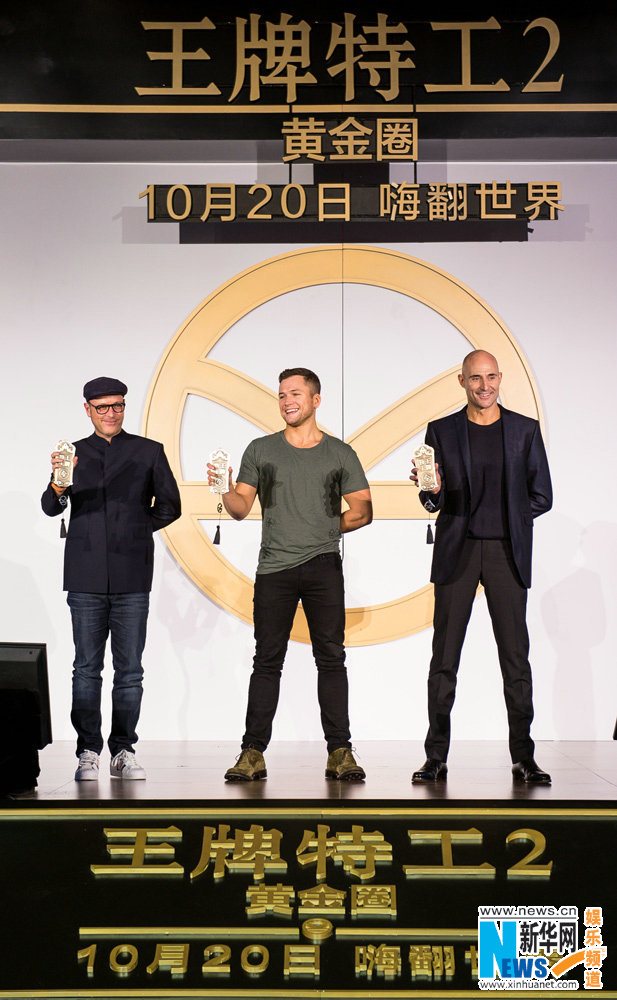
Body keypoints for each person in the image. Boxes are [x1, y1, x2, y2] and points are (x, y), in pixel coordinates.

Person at [208, 368, 372, 782]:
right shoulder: (260, 449)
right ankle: (252, 753)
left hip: (323, 566)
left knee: (331, 658)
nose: (287, 402)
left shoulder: (340, 453)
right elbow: (240, 508)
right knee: (267, 660)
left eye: (295, 394)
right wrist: (223, 489)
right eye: (282, 395)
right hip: (274, 569)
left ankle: (340, 752)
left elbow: (363, 510)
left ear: (316, 400)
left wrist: (325, 528)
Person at [410, 350, 553, 784]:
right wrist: (430, 489)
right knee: (444, 659)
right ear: (462, 381)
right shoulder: (442, 430)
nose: (484, 386)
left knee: (515, 660)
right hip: (458, 550)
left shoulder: (525, 430)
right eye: (475, 378)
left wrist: (510, 518)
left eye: (490, 377)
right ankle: (435, 757)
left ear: (500, 378)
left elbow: (542, 496)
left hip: (507, 554)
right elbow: (431, 499)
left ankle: (524, 757)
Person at [41, 377, 181, 781]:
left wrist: (136, 527)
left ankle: (123, 750)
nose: (111, 413)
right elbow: (51, 506)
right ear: (88, 410)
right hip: (84, 575)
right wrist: (60, 481)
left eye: (117, 405)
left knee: (130, 669)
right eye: (102, 407)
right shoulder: (72, 453)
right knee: (86, 668)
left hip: (132, 574)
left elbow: (170, 505)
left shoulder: (148, 451)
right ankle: (88, 751)